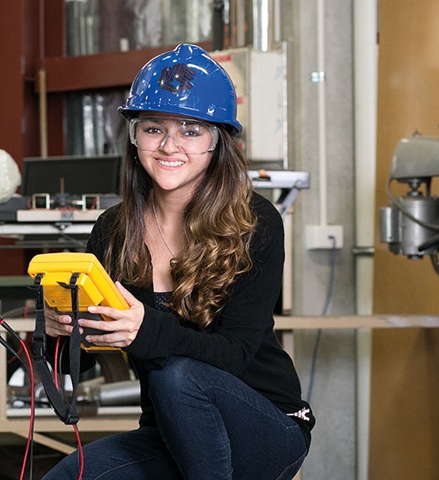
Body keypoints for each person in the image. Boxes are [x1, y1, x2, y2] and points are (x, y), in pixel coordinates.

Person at [41, 44, 314, 480]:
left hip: (268, 426)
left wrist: (144, 329)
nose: (169, 145)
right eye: (153, 129)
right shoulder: (113, 229)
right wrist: (60, 333)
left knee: (177, 375)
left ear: (217, 142)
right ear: (134, 137)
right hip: (170, 432)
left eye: (190, 130)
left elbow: (236, 354)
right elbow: (84, 363)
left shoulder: (255, 222)